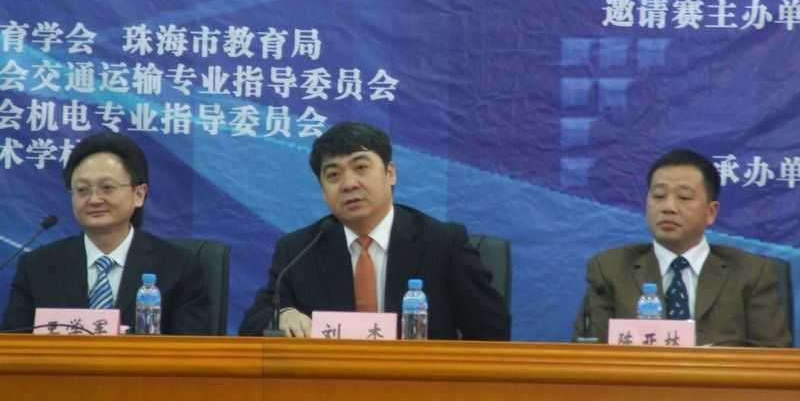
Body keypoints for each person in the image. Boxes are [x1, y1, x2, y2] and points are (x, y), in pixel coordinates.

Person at [239, 121, 510, 340]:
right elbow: (253, 322)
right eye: (333, 175)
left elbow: (492, 329)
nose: (349, 184)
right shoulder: (299, 249)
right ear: (323, 191)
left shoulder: (443, 243)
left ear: (390, 174)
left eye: (361, 167)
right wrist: (282, 315)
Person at [574, 148, 791, 347]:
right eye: (659, 196)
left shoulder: (751, 274)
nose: (668, 207)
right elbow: (588, 354)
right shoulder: (610, 270)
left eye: (684, 197)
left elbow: (773, 359)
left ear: (711, 212)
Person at [1, 131, 209, 334]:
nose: (94, 200)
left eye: (107, 188)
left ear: (139, 194)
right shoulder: (37, 267)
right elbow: (14, 347)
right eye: (82, 190)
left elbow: (190, 350)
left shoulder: (179, 267)